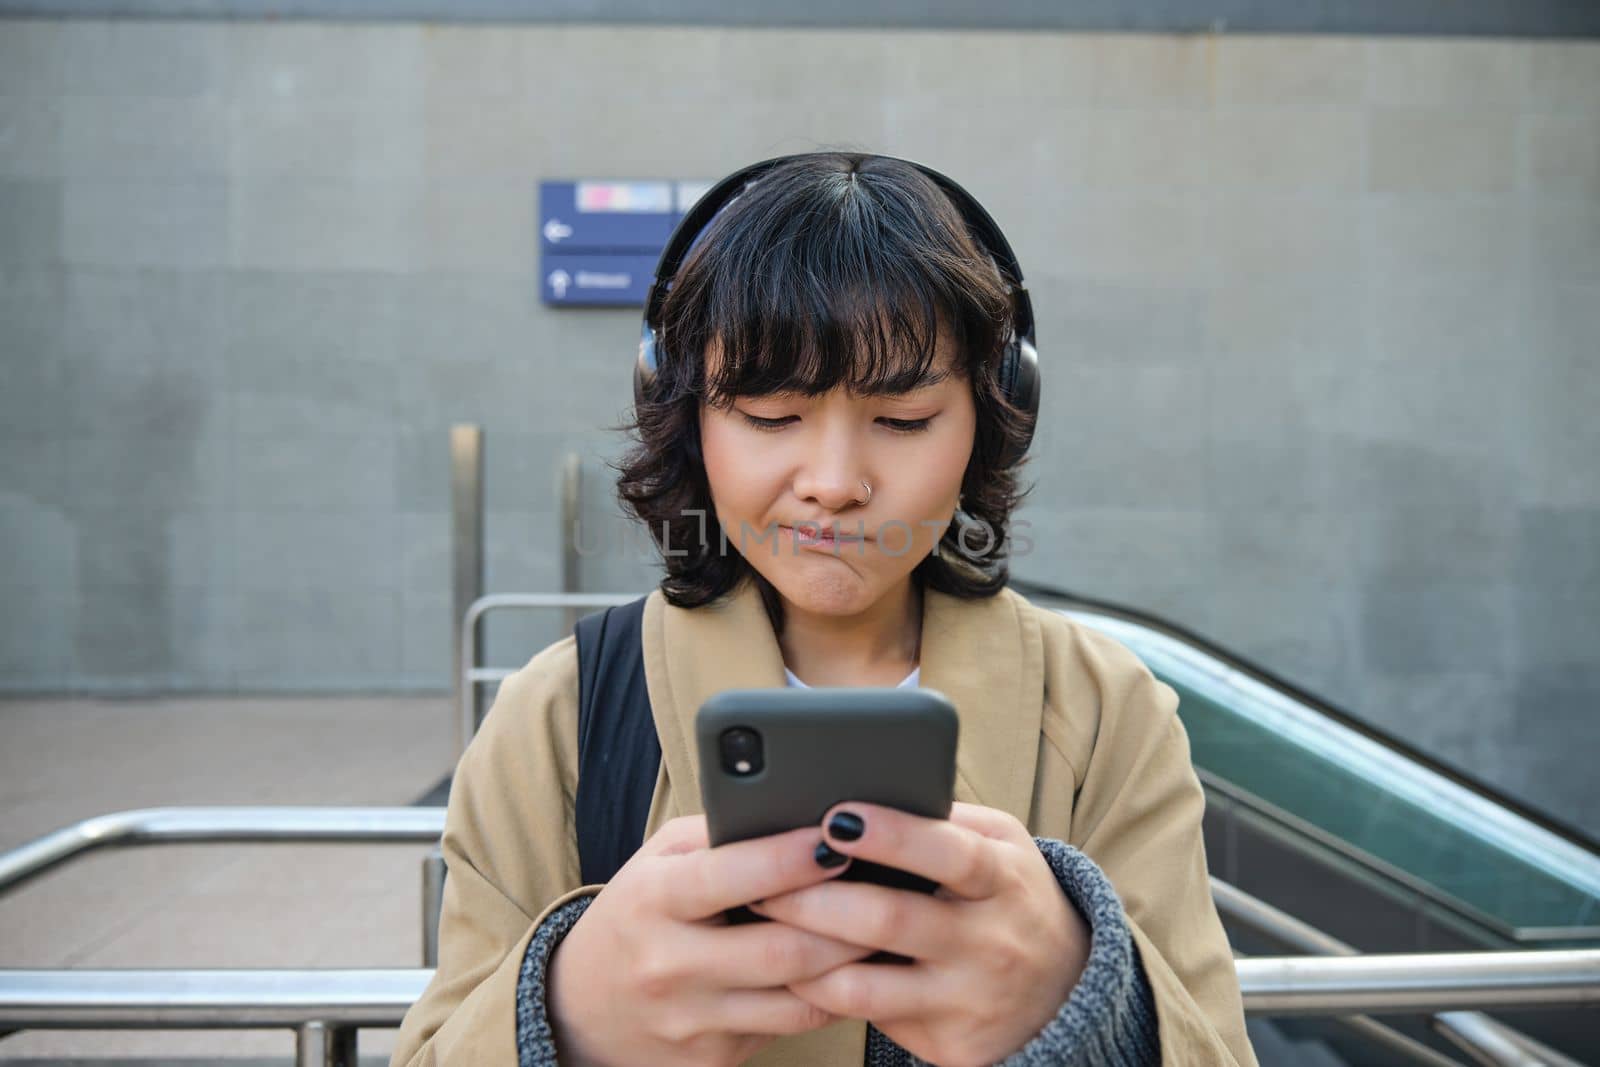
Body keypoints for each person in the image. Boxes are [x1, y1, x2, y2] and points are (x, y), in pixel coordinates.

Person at [391, 152, 1256, 1067]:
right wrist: (568, 1016)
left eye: (905, 418)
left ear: (993, 416)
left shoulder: (1106, 713)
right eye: (770, 416)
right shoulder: (561, 716)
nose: (836, 484)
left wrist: (1084, 1005)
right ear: (686, 416)